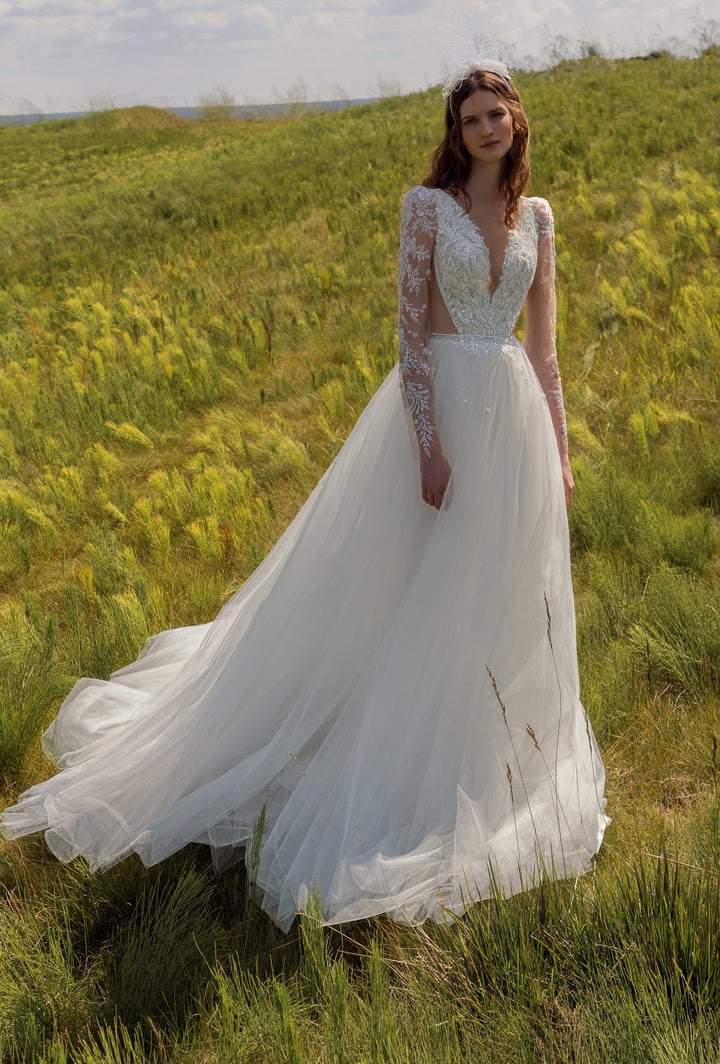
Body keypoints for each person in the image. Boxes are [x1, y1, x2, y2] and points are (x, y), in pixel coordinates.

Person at [2, 60, 608, 931]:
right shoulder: (426, 208)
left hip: (512, 416)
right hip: (440, 408)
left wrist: (559, 449)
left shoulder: (539, 219)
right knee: (403, 587)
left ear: (518, 123)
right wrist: (430, 448)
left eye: (498, 114)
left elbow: (546, 352)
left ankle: (486, 752)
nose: (487, 128)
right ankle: (365, 741)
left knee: (494, 593)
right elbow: (408, 335)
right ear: (456, 129)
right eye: (472, 116)